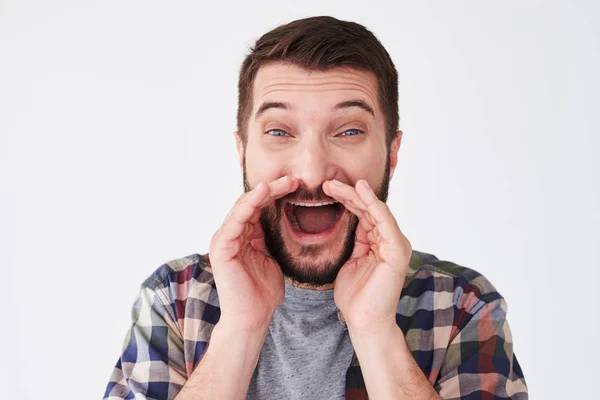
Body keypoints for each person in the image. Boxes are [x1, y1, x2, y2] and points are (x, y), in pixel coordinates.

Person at [103, 16, 528, 400]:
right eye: (279, 131)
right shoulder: (174, 299)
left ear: (391, 155)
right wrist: (240, 330)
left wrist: (375, 333)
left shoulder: (462, 307)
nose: (311, 170)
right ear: (243, 154)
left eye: (347, 130)